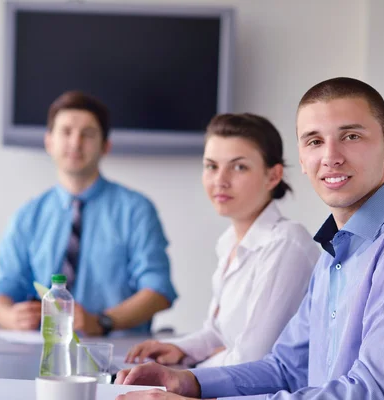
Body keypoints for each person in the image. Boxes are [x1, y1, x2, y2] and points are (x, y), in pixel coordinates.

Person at [114, 77, 384, 399]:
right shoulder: (336, 251)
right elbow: (285, 369)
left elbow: (371, 392)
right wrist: (186, 382)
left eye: (351, 136)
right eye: (314, 141)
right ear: (302, 160)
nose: (331, 156)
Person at [125, 113, 320, 368]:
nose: (220, 180)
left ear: (273, 176)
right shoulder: (228, 242)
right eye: (211, 166)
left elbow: (252, 357)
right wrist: (178, 348)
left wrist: (188, 374)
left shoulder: (285, 243)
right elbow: (217, 332)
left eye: (239, 167)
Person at [0, 91, 177, 336]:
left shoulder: (136, 210)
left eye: (87, 134)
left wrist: (102, 322)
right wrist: (9, 316)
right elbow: (2, 288)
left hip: (116, 355)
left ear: (105, 145)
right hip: (42, 354)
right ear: (49, 142)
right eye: (66, 132)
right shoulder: (28, 216)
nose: (75, 143)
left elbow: (158, 290)